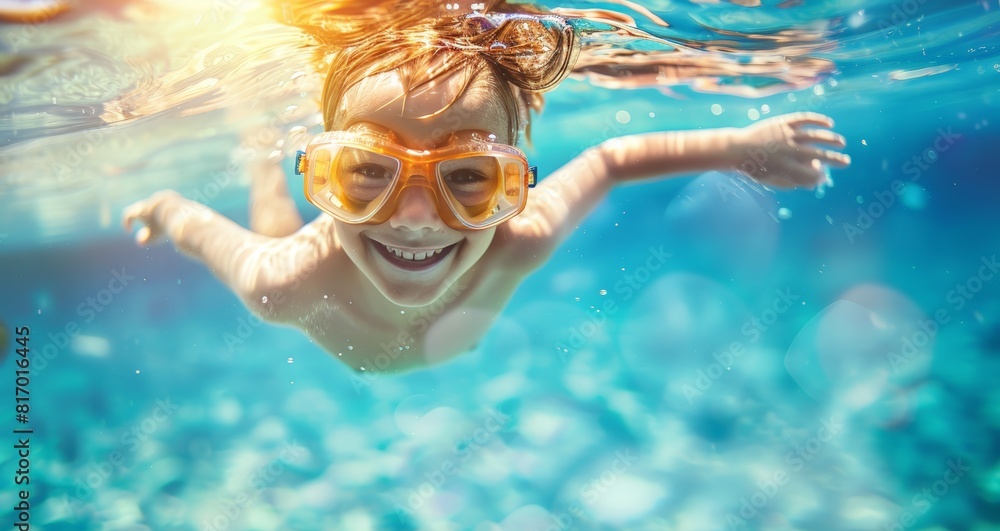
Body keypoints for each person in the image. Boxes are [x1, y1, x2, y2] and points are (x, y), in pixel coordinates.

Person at [122, 1, 850, 374]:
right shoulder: (282, 282)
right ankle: (262, 155)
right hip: (322, 277)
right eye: (367, 172)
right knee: (271, 224)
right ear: (323, 173)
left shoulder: (518, 239)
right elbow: (200, 232)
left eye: (468, 177)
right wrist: (166, 208)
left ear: (514, 184)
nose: (414, 218)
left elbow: (611, 158)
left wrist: (740, 147)